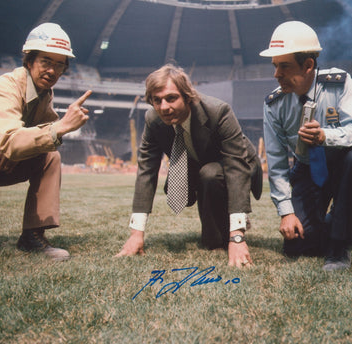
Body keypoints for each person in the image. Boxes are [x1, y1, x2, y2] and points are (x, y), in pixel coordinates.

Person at [116, 64, 262, 268]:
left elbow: (236, 166)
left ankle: (234, 225)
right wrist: (136, 233)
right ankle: (217, 235)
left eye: (171, 98)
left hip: (239, 163)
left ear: (187, 96)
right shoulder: (153, 119)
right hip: (199, 167)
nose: (164, 107)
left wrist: (237, 237)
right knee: (211, 241)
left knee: (210, 174)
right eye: (156, 100)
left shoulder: (218, 111)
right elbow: (146, 171)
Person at [0, 22, 92, 260]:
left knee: (49, 156)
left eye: (59, 65)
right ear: (29, 61)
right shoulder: (5, 87)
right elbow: (14, 140)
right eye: (46, 62)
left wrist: (17, 149)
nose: (52, 71)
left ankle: (32, 236)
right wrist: (61, 126)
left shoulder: (43, 92)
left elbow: (32, 135)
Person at [260, 20, 352, 271]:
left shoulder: (339, 83)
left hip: (344, 167)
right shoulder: (274, 104)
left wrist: (325, 137)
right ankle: (337, 223)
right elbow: (277, 165)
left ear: (308, 65)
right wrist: (286, 212)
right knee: (298, 246)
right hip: (306, 170)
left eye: (284, 66)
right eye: (275, 66)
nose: (276, 74)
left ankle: (337, 248)